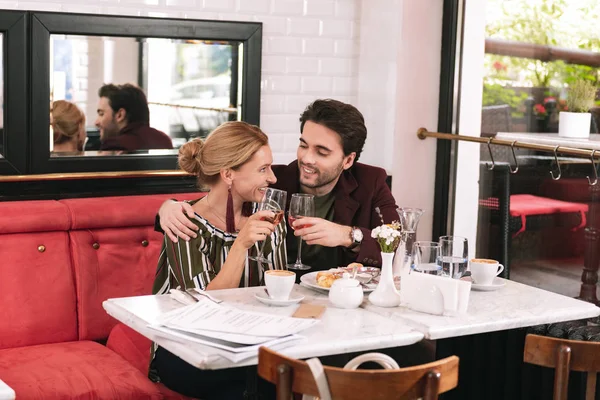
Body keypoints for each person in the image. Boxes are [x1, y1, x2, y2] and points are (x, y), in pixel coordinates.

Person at [158, 99, 398, 270]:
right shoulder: (275, 181)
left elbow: (395, 243)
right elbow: (213, 203)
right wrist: (167, 207)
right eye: (304, 145)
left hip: (343, 303)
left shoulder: (371, 182)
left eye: (322, 152)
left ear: (348, 160)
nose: (306, 158)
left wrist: (348, 235)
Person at [150, 121, 285, 400]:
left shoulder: (269, 217)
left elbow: (279, 293)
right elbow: (205, 307)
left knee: (287, 374)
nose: (272, 178)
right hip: (188, 347)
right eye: (263, 169)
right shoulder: (184, 224)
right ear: (228, 174)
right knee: (255, 386)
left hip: (250, 344)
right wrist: (241, 245)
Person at [95, 83, 173, 152]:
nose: (96, 122)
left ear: (120, 115)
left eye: (101, 114)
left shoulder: (113, 146)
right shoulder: (164, 140)